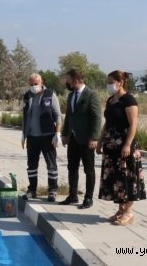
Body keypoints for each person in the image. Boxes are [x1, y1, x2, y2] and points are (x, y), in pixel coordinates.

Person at [97, 70, 146, 225]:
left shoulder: (129, 100)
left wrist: (127, 144)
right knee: (117, 178)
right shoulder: (111, 100)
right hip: (111, 146)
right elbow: (107, 123)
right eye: (108, 82)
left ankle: (128, 212)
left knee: (128, 178)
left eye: (111, 82)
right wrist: (100, 141)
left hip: (125, 145)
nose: (109, 85)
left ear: (120, 82)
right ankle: (121, 209)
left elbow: (133, 124)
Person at [60, 69, 102, 209]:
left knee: (88, 170)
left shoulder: (91, 95)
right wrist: (64, 134)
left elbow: (97, 118)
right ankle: (73, 195)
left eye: (68, 80)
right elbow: (69, 117)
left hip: (86, 139)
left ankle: (88, 198)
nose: (67, 83)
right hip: (73, 139)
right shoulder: (71, 96)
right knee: (72, 168)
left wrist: (94, 137)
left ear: (76, 80)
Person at [21, 73, 62, 201]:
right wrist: (24, 134)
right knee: (32, 165)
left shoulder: (50, 94)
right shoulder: (27, 96)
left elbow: (58, 115)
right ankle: (32, 190)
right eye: (31, 84)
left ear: (41, 82)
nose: (34, 86)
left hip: (47, 136)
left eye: (36, 84)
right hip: (32, 137)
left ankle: (53, 190)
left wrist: (57, 134)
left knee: (51, 164)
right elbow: (25, 116)